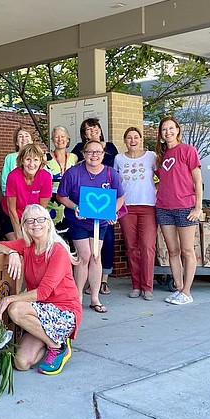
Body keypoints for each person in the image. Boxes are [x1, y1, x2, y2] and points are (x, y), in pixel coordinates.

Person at [0, 204, 82, 375]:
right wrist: (12, 253)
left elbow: (43, 292)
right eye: (30, 220)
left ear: (48, 223)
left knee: (15, 309)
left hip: (63, 311)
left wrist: (10, 298)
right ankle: (50, 340)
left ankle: (58, 346)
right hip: (39, 311)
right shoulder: (26, 245)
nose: (36, 224)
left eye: (40, 219)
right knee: (21, 363)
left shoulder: (57, 250)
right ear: (24, 225)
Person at [57, 140, 124, 313]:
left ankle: (95, 298)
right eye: (90, 152)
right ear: (84, 153)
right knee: (84, 256)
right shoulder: (73, 173)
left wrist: (113, 212)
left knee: (96, 256)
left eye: (98, 152)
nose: (94, 155)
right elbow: (61, 196)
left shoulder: (111, 174)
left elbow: (120, 197)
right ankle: (77, 297)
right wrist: (75, 207)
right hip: (78, 220)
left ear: (103, 154)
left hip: (100, 222)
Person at [155, 116, 203, 306]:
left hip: (185, 207)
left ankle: (187, 291)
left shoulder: (188, 151)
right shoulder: (160, 156)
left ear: (177, 130)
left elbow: (198, 180)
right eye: (164, 129)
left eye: (171, 128)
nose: (168, 132)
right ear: (160, 134)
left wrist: (198, 207)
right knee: (172, 251)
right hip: (164, 208)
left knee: (187, 250)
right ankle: (178, 287)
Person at [72, 117, 119, 296]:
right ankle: (82, 285)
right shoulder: (78, 149)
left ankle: (102, 281)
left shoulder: (111, 148)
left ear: (100, 129)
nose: (92, 131)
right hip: (86, 202)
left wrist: (114, 209)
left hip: (106, 202)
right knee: (86, 251)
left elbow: (115, 174)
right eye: (88, 129)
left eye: (95, 128)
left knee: (106, 242)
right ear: (84, 134)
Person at [114, 127, 157, 300]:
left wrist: (159, 190)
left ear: (141, 139)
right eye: (129, 137)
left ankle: (147, 287)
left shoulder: (151, 156)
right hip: (127, 207)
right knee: (132, 248)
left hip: (148, 206)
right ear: (125, 140)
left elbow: (163, 175)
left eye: (136, 137)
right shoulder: (119, 159)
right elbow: (115, 183)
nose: (133, 140)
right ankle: (136, 285)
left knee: (147, 247)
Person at [0, 144, 52, 241]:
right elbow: (11, 209)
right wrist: (19, 233)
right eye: (28, 159)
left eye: (36, 160)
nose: (32, 164)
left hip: (32, 216)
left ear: (41, 161)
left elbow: (40, 209)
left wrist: (32, 229)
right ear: (22, 161)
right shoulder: (13, 176)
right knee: (18, 242)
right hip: (11, 214)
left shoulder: (46, 177)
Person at [45, 125, 77, 232]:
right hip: (51, 201)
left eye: (63, 136)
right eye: (56, 137)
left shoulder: (74, 157)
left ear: (67, 139)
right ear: (52, 140)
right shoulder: (45, 157)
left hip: (69, 200)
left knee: (71, 235)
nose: (60, 139)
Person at [1, 126, 33, 194]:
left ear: (32, 141)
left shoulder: (38, 157)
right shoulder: (10, 158)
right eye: (20, 136)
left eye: (26, 136)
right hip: (14, 198)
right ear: (16, 142)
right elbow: (5, 180)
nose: (24, 139)